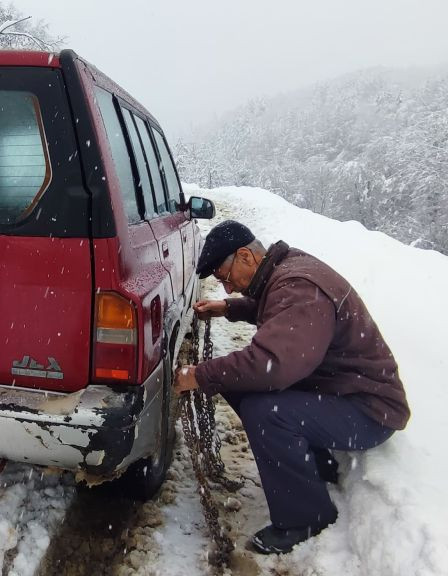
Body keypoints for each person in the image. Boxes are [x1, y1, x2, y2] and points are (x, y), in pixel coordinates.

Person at [174, 220, 410, 554]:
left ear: (245, 256)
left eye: (225, 279)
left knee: (264, 409)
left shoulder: (298, 285)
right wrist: (229, 309)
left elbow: (272, 364)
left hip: (369, 410)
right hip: (342, 392)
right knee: (239, 385)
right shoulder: (286, 270)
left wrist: (198, 375)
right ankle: (314, 463)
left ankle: (306, 517)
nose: (226, 289)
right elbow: (275, 308)